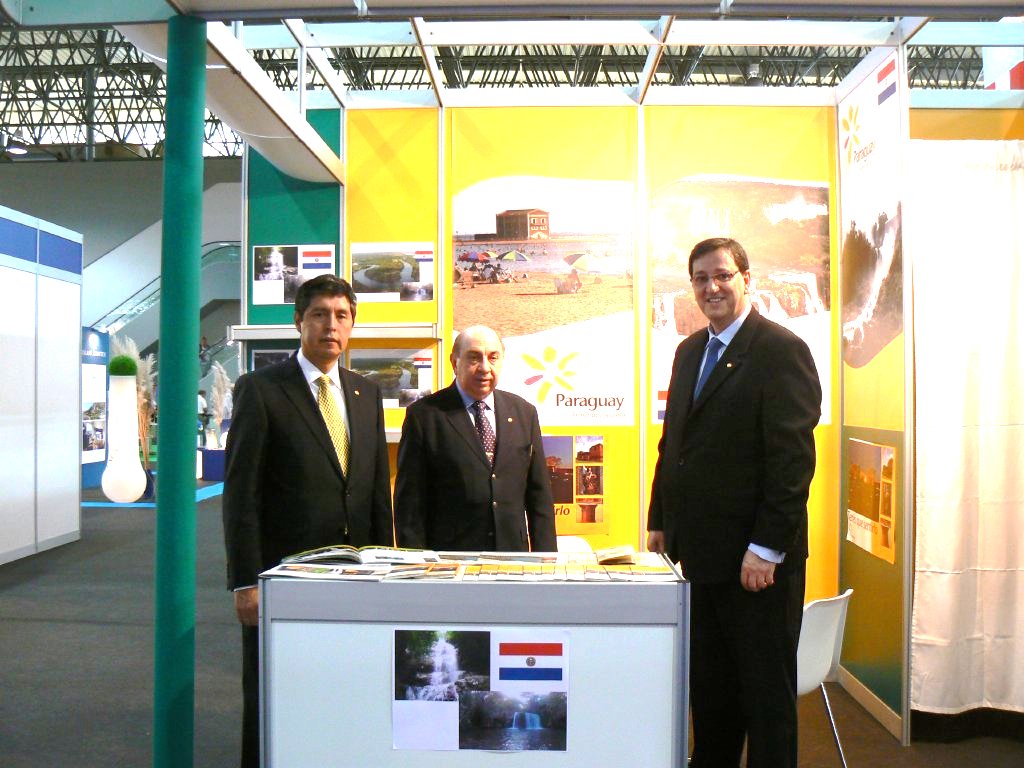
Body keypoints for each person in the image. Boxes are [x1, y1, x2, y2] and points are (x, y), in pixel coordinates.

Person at [647, 237, 821, 768]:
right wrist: (660, 520)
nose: (711, 287)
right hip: (700, 558)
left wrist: (766, 548)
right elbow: (674, 443)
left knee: (766, 702)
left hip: (756, 567)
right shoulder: (688, 351)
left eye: (722, 275)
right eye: (701, 278)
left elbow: (791, 463)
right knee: (712, 695)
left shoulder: (780, 351)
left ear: (746, 279)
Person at [222, 274, 394, 768]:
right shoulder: (261, 389)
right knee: (274, 692)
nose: (331, 326)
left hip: (356, 575)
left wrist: (387, 565)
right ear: (299, 322)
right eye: (319, 315)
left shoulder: (365, 393)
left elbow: (374, 490)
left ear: (352, 325)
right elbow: (241, 494)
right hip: (284, 577)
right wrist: (245, 582)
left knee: (347, 683)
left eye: (341, 316)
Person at [394, 325, 556, 552]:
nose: (485, 368)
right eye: (474, 358)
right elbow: (410, 504)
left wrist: (546, 561)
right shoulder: (425, 416)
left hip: (513, 557)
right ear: (454, 362)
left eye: (493, 357)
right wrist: (417, 562)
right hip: (450, 559)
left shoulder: (524, 413)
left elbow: (539, 497)